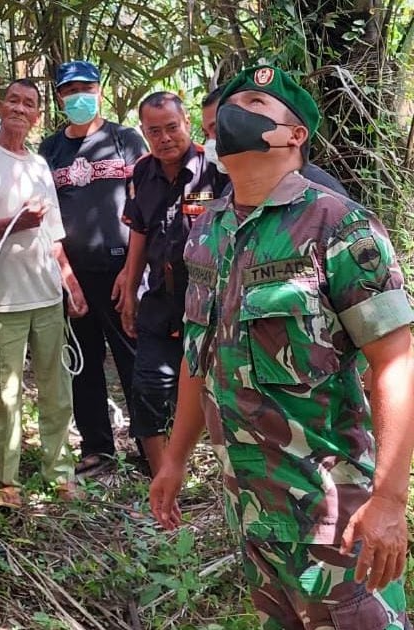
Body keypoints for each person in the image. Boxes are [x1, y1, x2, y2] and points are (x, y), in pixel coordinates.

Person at [150, 65, 414, 628]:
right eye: (229, 102)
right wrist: (174, 457)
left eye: (255, 102)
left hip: (331, 509)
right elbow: (200, 355)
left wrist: (390, 501)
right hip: (250, 507)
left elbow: (395, 361)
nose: (233, 111)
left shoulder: (339, 225)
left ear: (295, 135)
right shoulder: (210, 230)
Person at [0, 79, 88, 508]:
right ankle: (4, 481)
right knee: (5, 396)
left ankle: (60, 471)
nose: (20, 108)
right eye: (13, 99)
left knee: (57, 391)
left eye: (30, 104)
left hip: (45, 296)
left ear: (39, 115)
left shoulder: (39, 165)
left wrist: (69, 283)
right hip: (1, 299)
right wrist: (12, 224)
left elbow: (53, 232)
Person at [39, 60, 147, 477]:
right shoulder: (51, 150)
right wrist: (66, 278)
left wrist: (133, 273)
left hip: (122, 271)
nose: (77, 97)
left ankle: (150, 443)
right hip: (72, 278)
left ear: (99, 91)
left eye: (85, 88)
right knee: (82, 364)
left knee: (133, 359)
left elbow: (141, 206)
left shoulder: (125, 140)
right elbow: (48, 216)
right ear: (60, 97)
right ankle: (98, 448)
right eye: (69, 91)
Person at [120, 92, 226, 476]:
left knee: (216, 390)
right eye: (154, 131)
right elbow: (139, 233)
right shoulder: (141, 172)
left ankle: (221, 471)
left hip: (210, 303)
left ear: (187, 125)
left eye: (172, 128)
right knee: (148, 388)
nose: (165, 138)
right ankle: (162, 475)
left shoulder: (215, 169)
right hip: (160, 302)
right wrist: (130, 291)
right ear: (144, 133)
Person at [201, 84, 350, 196]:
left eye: (220, 127)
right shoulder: (230, 195)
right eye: (207, 134)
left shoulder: (324, 198)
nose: (214, 141)